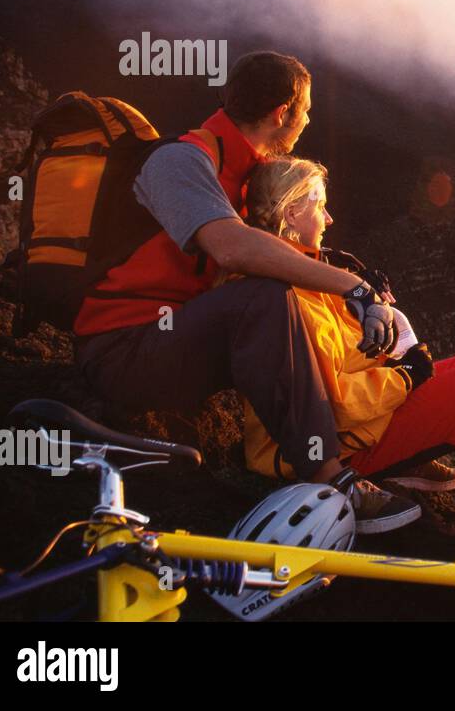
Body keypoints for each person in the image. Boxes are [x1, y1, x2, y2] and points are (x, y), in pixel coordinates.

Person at [73, 51, 417, 532]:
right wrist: (353, 287)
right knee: (264, 296)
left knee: (275, 294)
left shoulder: (242, 175)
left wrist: (356, 288)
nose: (309, 121)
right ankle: (327, 475)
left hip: (177, 342)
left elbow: (268, 251)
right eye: (307, 111)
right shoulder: (182, 160)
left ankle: (342, 441)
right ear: (283, 113)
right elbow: (231, 248)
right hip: (122, 350)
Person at [239, 156, 455, 507]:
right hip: (344, 448)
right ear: (292, 214)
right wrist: (406, 377)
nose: (329, 218)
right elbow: (333, 404)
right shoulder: (291, 294)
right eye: (320, 206)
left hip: (354, 428)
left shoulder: (299, 275)